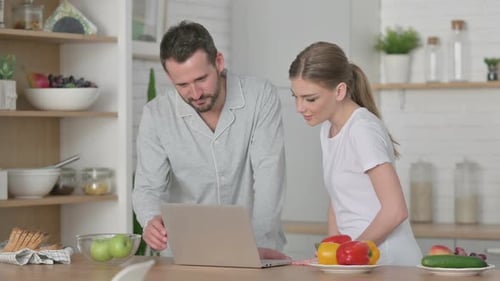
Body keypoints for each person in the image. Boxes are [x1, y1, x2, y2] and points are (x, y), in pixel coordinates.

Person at [132, 20, 288, 259]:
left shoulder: (260, 97)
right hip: (186, 253)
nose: (195, 94)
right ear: (168, 76)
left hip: (257, 247)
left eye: (201, 79)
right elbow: (147, 189)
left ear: (219, 62)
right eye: (182, 85)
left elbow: (269, 179)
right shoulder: (156, 115)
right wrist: (150, 221)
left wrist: (259, 247)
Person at [288, 41, 422, 266]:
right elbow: (338, 201)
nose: (299, 108)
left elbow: (395, 210)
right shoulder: (328, 129)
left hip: (388, 261)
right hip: (358, 261)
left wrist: (346, 255)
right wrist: (328, 256)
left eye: (310, 99)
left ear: (339, 91)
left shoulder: (362, 129)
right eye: (296, 97)